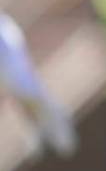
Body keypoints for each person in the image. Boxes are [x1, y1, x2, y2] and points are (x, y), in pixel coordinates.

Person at [0, 13, 77, 157]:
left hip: (5, 46)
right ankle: (38, 128)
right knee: (18, 93)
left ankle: (58, 124)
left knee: (25, 87)